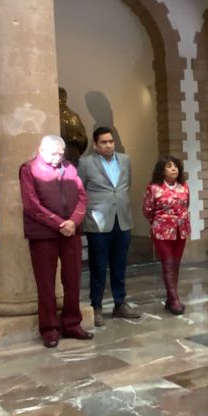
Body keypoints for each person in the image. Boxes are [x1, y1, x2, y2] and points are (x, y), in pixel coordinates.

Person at [20, 134, 93, 348]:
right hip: (43, 234)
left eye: (60, 154)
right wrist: (60, 223)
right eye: (53, 153)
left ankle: (72, 323)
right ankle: (50, 329)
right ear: (40, 150)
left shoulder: (69, 168)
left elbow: (82, 197)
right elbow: (31, 204)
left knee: (73, 280)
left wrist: (74, 221)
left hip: (71, 232)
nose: (57, 158)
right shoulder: (28, 169)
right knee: (46, 283)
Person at [80, 125, 139, 326]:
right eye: (103, 142)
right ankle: (96, 306)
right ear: (95, 146)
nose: (108, 145)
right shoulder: (86, 163)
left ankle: (120, 304)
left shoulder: (125, 160)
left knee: (120, 264)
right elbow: (80, 190)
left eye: (110, 141)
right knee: (98, 266)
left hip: (122, 219)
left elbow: (125, 185)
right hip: (98, 222)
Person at [143, 155, 191, 314]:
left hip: (181, 230)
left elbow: (187, 204)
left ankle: (171, 298)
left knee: (176, 264)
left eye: (176, 166)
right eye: (170, 166)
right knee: (168, 263)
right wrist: (161, 221)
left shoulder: (184, 186)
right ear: (162, 170)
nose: (174, 169)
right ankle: (175, 300)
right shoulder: (154, 188)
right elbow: (148, 210)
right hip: (162, 231)